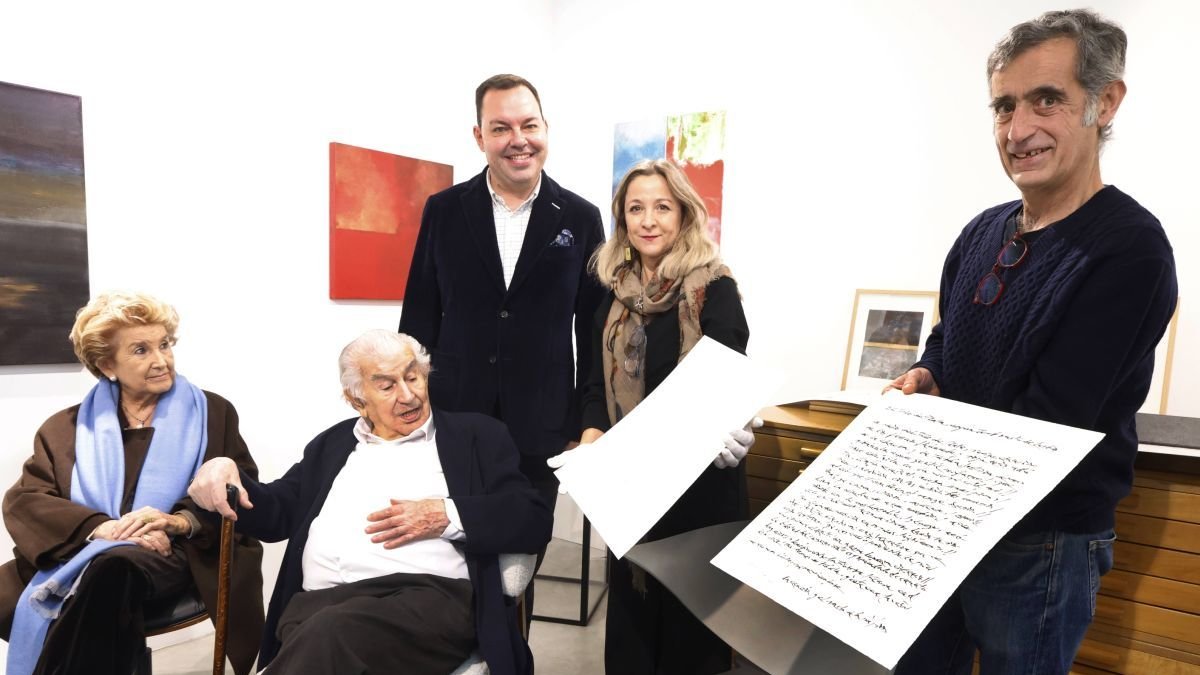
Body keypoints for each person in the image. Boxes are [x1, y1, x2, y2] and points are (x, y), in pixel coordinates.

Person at [888, 10, 1177, 674]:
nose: (1018, 130)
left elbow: (1047, 424)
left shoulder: (1130, 250)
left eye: (1046, 100)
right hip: (947, 525)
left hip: (1040, 545)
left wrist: (913, 463)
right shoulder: (980, 232)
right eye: (1004, 107)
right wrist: (928, 375)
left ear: (1104, 103)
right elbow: (947, 337)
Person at [187, 329, 552, 675]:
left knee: (330, 634)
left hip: (429, 602)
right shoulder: (333, 444)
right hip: (317, 604)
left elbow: (531, 519)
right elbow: (277, 511)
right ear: (357, 399)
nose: (409, 395)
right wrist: (226, 471)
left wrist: (446, 514)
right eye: (387, 385)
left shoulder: (476, 436)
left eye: (413, 377)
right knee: (321, 633)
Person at [0, 291, 264, 675]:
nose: (161, 360)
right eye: (141, 351)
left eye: (165, 345)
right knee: (59, 581)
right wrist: (100, 528)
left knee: (114, 568)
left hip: (181, 551)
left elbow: (242, 487)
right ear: (107, 364)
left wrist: (178, 522)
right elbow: (27, 499)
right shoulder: (66, 428)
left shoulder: (212, 412)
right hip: (90, 551)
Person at [560, 159, 756, 674]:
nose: (649, 220)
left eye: (662, 207)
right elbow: (589, 384)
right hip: (631, 492)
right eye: (636, 209)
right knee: (632, 638)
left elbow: (726, 380)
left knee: (692, 644)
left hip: (699, 489)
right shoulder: (606, 291)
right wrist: (591, 436)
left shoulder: (714, 288)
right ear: (622, 221)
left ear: (685, 215)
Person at [399, 73, 607, 515]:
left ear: (545, 128)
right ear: (479, 136)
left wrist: (587, 422)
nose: (519, 140)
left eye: (529, 125)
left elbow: (593, 335)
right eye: (501, 128)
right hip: (453, 421)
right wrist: (407, 408)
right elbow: (417, 322)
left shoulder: (582, 217)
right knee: (454, 557)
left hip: (543, 427)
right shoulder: (444, 210)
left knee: (519, 560)